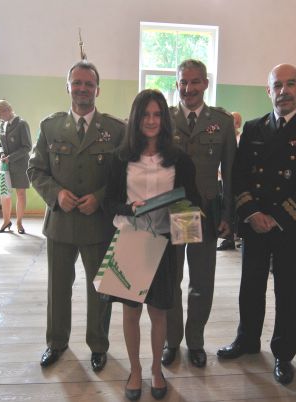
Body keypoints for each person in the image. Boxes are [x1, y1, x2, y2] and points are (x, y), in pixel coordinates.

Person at [217, 63, 296, 385]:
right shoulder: (254, 128)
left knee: (289, 291)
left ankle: (283, 353)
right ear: (269, 91)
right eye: (277, 85)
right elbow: (239, 175)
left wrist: (276, 217)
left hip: (290, 227)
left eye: (290, 84)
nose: (284, 91)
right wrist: (252, 213)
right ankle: (247, 340)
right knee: (250, 286)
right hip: (255, 224)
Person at [103, 89, 200, 400]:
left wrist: (182, 216)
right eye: (145, 114)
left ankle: (157, 369)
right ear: (136, 118)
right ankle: (135, 370)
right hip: (130, 240)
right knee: (131, 313)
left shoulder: (179, 159)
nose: (151, 120)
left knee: (159, 313)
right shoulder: (120, 158)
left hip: (165, 243)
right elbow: (109, 202)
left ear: (165, 119)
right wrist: (128, 208)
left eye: (157, 114)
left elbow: (193, 200)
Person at [28, 60, 125, 370]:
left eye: (89, 84)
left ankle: (98, 345)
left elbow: (124, 176)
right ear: (68, 86)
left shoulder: (115, 130)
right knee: (58, 288)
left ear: (98, 89)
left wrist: (100, 198)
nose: (83, 88)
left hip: (99, 224)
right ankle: (56, 342)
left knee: (101, 288)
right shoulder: (50, 127)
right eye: (77, 83)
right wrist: (56, 194)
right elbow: (35, 169)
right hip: (61, 223)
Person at [163, 59, 236, 368]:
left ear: (205, 83)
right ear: (177, 84)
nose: (188, 88)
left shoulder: (222, 122)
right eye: (183, 82)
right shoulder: (164, 118)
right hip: (173, 212)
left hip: (204, 213)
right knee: (172, 280)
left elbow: (230, 173)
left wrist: (228, 215)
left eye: (195, 82)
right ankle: (171, 340)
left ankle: (195, 341)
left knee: (201, 282)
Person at [0, 100, 32, 234]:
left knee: (20, 194)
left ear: (8, 110)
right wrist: (1, 154)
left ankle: (19, 223)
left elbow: (27, 147)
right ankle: (6, 221)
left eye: (0, 113)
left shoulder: (22, 124)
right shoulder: (1, 125)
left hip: (20, 166)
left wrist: (10, 158)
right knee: (5, 194)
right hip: (4, 166)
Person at [217, 111, 243, 251]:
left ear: (238, 123)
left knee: (231, 209)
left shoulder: (240, 137)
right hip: (221, 178)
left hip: (233, 179)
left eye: (235, 121)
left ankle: (231, 238)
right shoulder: (221, 135)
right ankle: (227, 238)